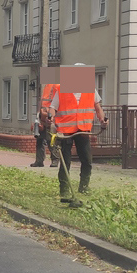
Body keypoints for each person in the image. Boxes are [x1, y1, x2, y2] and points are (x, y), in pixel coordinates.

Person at [50, 74, 107, 206]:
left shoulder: (91, 90)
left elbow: (98, 108)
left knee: (87, 160)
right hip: (65, 131)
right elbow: (53, 108)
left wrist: (102, 121)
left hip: (83, 130)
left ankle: (84, 187)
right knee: (66, 161)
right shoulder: (61, 89)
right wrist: (51, 119)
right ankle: (64, 189)